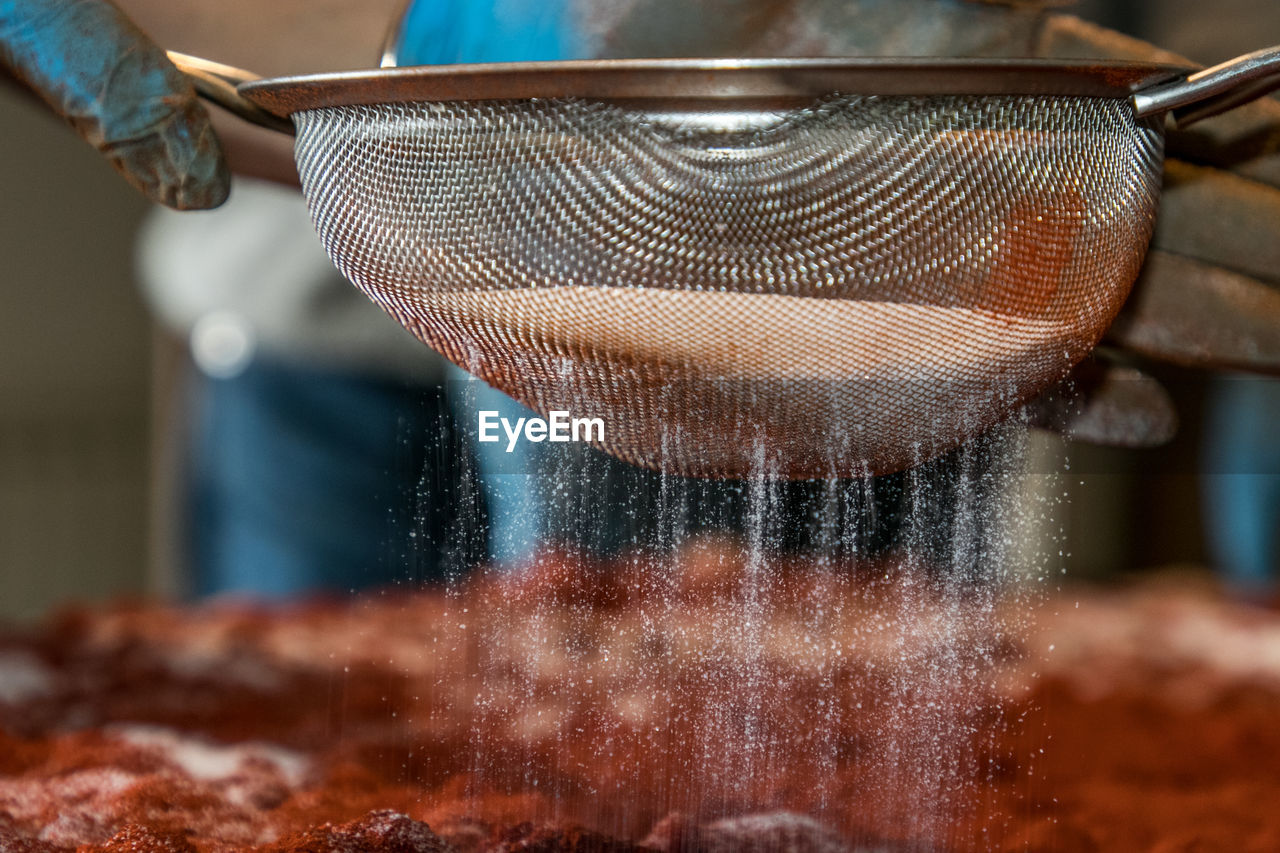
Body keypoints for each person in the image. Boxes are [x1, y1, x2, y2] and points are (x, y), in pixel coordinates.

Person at [5, 0, 1279, 597]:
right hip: (308, 318)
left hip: (836, 274)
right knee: (271, 759)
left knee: (752, 743)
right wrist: (457, 47)